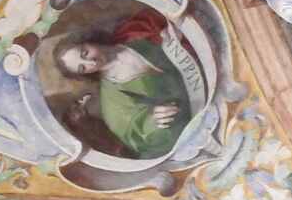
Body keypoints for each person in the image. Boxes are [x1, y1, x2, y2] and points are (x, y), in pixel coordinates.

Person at [54, 8, 193, 160]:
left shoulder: (134, 33)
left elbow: (170, 20)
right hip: (191, 109)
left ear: (87, 41)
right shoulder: (112, 98)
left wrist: (175, 36)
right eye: (83, 68)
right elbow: (133, 134)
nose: (91, 62)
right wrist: (152, 120)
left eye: (85, 53)